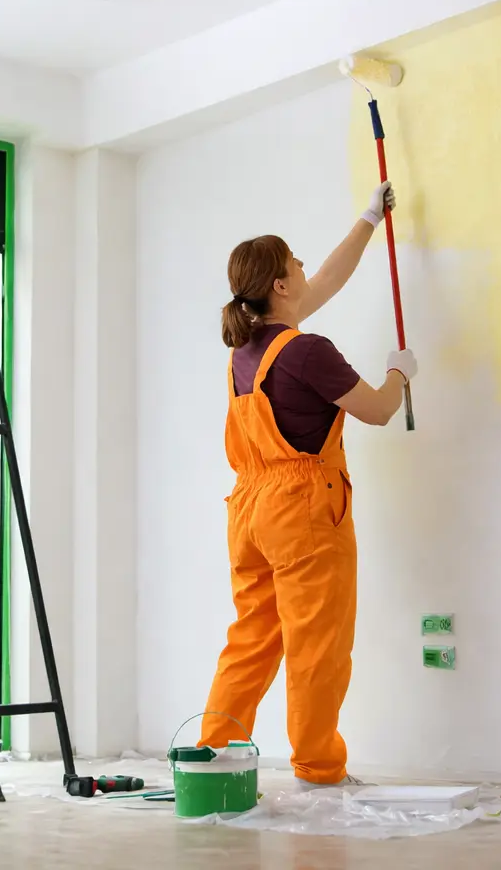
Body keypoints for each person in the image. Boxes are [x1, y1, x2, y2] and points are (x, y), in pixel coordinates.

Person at [199, 181, 417, 790]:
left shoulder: (247, 351)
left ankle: (214, 755)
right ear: (278, 285)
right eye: (294, 261)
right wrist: (400, 372)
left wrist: (368, 220)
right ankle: (319, 769)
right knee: (316, 647)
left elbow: (325, 280)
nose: (303, 266)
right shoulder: (309, 351)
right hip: (302, 513)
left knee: (251, 639)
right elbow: (375, 410)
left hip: (248, 512)